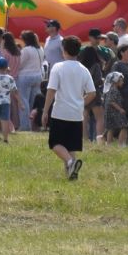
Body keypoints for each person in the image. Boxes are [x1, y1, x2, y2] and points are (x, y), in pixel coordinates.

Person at [43, 35, 97, 180]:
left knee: (55, 143)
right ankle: (71, 175)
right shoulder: (84, 69)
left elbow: (51, 90)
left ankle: (70, 162)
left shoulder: (58, 67)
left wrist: (45, 110)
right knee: (71, 147)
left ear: (64, 50)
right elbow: (92, 93)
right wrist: (81, 103)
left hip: (60, 112)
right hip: (76, 113)